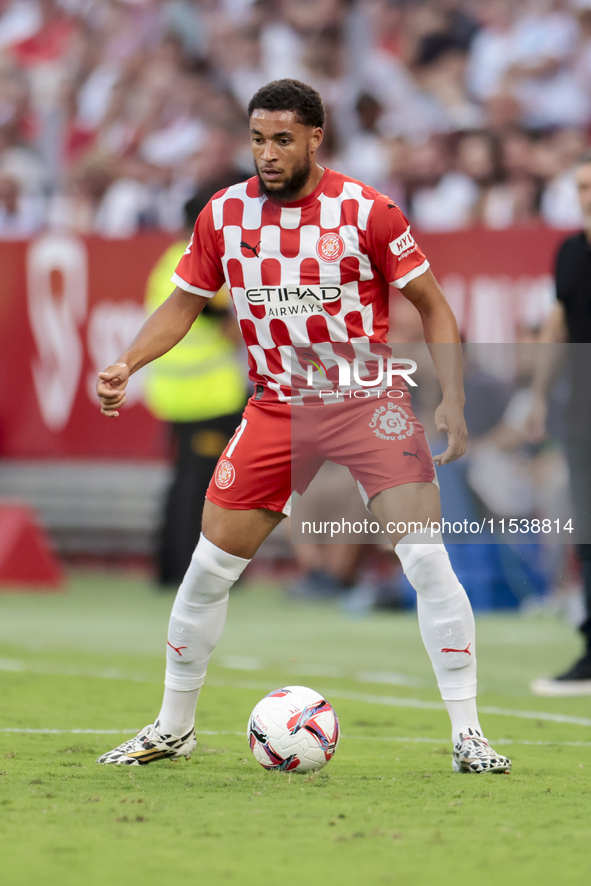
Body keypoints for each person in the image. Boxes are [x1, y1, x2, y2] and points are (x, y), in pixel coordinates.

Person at [95, 79, 511, 774]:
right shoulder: (224, 215)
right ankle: (173, 728)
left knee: (427, 562)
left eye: (282, 139)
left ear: (316, 138)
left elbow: (433, 306)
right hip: (277, 409)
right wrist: (126, 362)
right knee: (206, 572)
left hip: (365, 399)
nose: (267, 153)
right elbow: (182, 305)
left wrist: (452, 400)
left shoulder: (366, 211)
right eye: (257, 139)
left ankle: (469, 735)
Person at [144, 185, 247, 586]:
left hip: (176, 390)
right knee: (203, 486)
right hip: (208, 393)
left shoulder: (168, 260)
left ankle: (169, 566)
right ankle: (193, 570)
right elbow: (224, 324)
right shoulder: (199, 261)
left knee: (184, 481)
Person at [528, 151, 591, 695]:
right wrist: (539, 396)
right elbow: (558, 321)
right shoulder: (570, 252)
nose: (586, 195)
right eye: (581, 185)